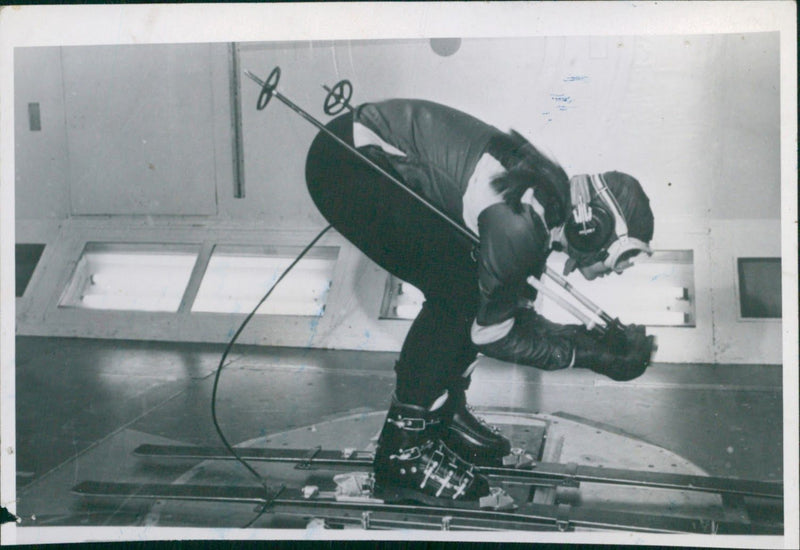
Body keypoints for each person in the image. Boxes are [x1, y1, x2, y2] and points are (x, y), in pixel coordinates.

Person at [305, 99, 655, 503]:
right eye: (623, 255)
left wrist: (585, 341)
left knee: (470, 288)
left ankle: (440, 417)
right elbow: (493, 333)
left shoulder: (542, 207)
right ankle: (404, 449)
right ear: (593, 227)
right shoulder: (520, 224)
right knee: (459, 293)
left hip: (353, 148)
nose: (620, 268)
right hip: (345, 164)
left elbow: (511, 306)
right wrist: (588, 353)